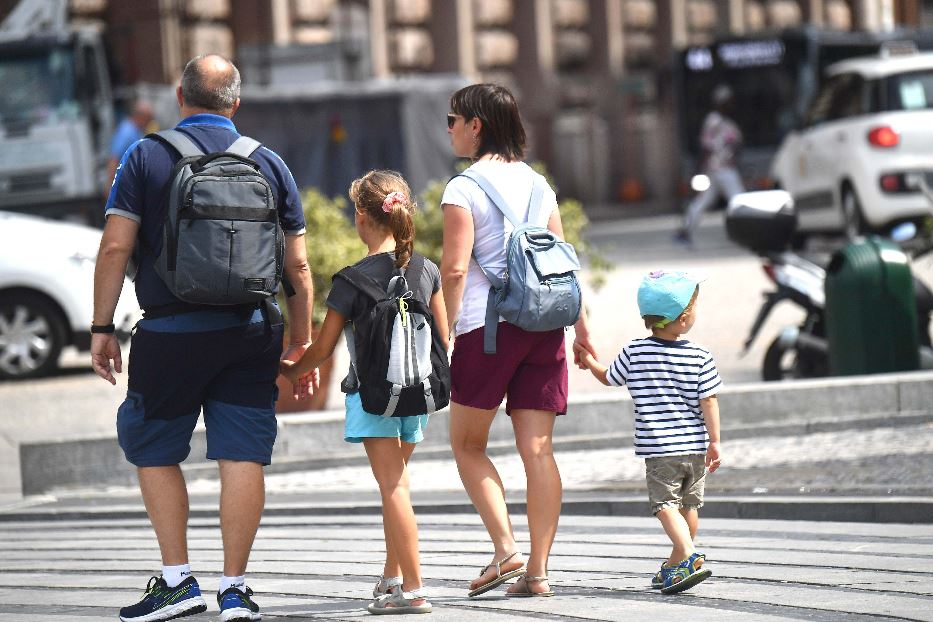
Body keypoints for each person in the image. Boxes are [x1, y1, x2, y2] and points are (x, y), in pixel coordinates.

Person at [91, 54, 315, 622]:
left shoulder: (145, 156)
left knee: (154, 446)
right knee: (242, 454)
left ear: (178, 95)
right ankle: (235, 589)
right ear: (236, 103)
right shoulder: (269, 162)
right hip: (251, 330)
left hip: (170, 332)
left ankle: (176, 582)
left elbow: (117, 247)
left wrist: (100, 327)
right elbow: (299, 266)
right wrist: (301, 340)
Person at [440, 83, 595, 598]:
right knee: (538, 450)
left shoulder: (463, 188)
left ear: (475, 125)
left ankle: (506, 551)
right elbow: (563, 262)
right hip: (546, 327)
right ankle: (539, 573)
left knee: (467, 444)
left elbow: (456, 270)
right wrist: (582, 330)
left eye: (453, 119)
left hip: (488, 332)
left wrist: (444, 335)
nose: (450, 129)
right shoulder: (539, 184)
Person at [280, 170, 445, 615]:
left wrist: (291, 371)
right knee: (398, 485)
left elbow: (323, 349)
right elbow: (445, 340)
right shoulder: (427, 269)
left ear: (362, 218)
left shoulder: (351, 280)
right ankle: (394, 576)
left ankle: (413, 590)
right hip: (418, 395)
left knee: (393, 487)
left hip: (373, 396)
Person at [573, 270, 722, 595]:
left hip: (660, 450)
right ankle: (677, 563)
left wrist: (588, 358)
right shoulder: (700, 356)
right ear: (683, 319)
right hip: (695, 448)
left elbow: (608, 377)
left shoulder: (636, 352)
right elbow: (709, 401)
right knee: (689, 506)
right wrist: (715, 441)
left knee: (664, 504)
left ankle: (686, 555)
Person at [674, 84, 744, 245]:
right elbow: (706, 146)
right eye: (728, 102)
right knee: (739, 199)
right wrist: (697, 169)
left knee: (704, 201)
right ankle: (751, 230)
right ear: (721, 103)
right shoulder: (714, 120)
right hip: (720, 168)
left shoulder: (727, 122)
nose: (731, 105)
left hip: (722, 167)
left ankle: (685, 229)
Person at [106, 99, 155, 198]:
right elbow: (114, 159)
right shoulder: (127, 132)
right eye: (148, 119)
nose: (149, 123)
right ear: (140, 117)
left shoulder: (137, 131)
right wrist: (110, 188)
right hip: (123, 188)